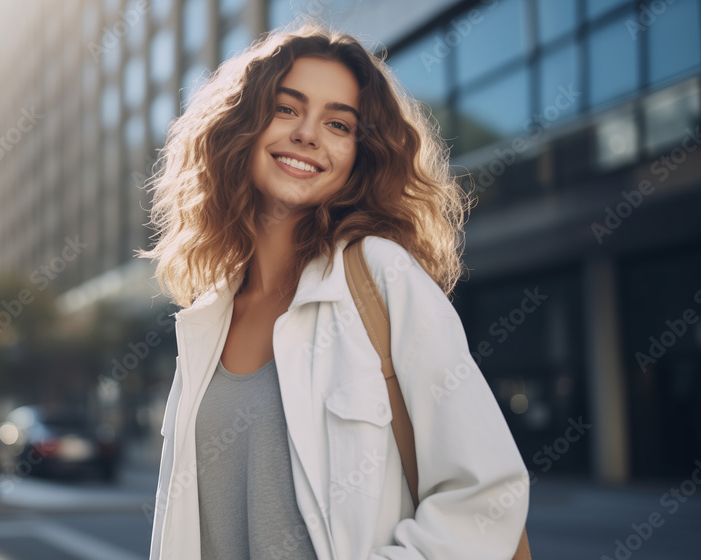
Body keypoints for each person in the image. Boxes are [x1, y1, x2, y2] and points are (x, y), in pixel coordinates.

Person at [136, 17, 529, 560]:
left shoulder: (382, 276)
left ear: (360, 156)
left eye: (339, 124)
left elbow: (485, 495)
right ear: (242, 125)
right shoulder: (207, 319)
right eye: (286, 108)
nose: (308, 134)